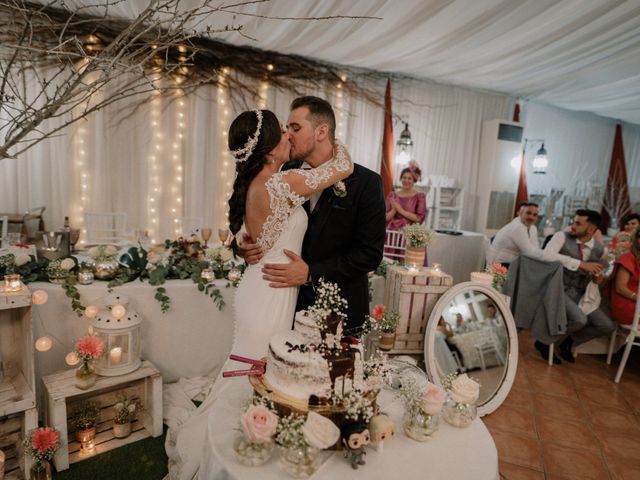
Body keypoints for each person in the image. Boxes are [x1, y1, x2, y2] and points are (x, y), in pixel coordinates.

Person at [165, 108, 354, 479]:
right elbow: (342, 167)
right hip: (270, 294)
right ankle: (231, 454)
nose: (289, 136)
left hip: (264, 287)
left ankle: (250, 440)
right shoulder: (282, 183)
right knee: (253, 375)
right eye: (283, 133)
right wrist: (333, 140)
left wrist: (239, 245)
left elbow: (249, 235)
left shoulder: (260, 183)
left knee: (255, 372)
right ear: (269, 150)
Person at [246, 96, 386, 331]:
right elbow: (260, 221)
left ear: (321, 131)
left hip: (339, 312)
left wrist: (312, 272)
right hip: (286, 305)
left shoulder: (366, 183)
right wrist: (246, 246)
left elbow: (369, 254)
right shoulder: (283, 174)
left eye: (296, 128)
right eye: (288, 128)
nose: (288, 135)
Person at [542, 209, 616, 363]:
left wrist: (598, 280)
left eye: (577, 223)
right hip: (558, 289)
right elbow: (546, 256)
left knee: (606, 325)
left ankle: (567, 340)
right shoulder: (561, 236)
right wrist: (581, 264)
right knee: (580, 320)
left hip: (582, 293)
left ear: (590, 229)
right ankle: (544, 342)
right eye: (573, 222)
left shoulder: (601, 249)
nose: (572, 226)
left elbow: (602, 275)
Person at [384, 161, 427, 259]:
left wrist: (399, 209)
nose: (406, 180)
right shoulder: (392, 195)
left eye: (409, 178)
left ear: (414, 180)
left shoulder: (420, 196)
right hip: (392, 235)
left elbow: (419, 218)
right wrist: (394, 210)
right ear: (400, 179)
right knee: (389, 262)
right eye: (404, 177)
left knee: (407, 263)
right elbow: (386, 217)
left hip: (409, 235)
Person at [486, 202, 540, 267]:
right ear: (520, 214)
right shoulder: (517, 227)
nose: (531, 217)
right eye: (528, 213)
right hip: (498, 264)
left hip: (510, 263)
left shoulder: (532, 228)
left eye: (535, 215)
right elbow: (529, 252)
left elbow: (535, 248)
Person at [611, 228, 640, 325]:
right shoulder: (628, 258)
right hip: (626, 304)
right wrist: (638, 298)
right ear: (636, 239)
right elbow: (620, 288)